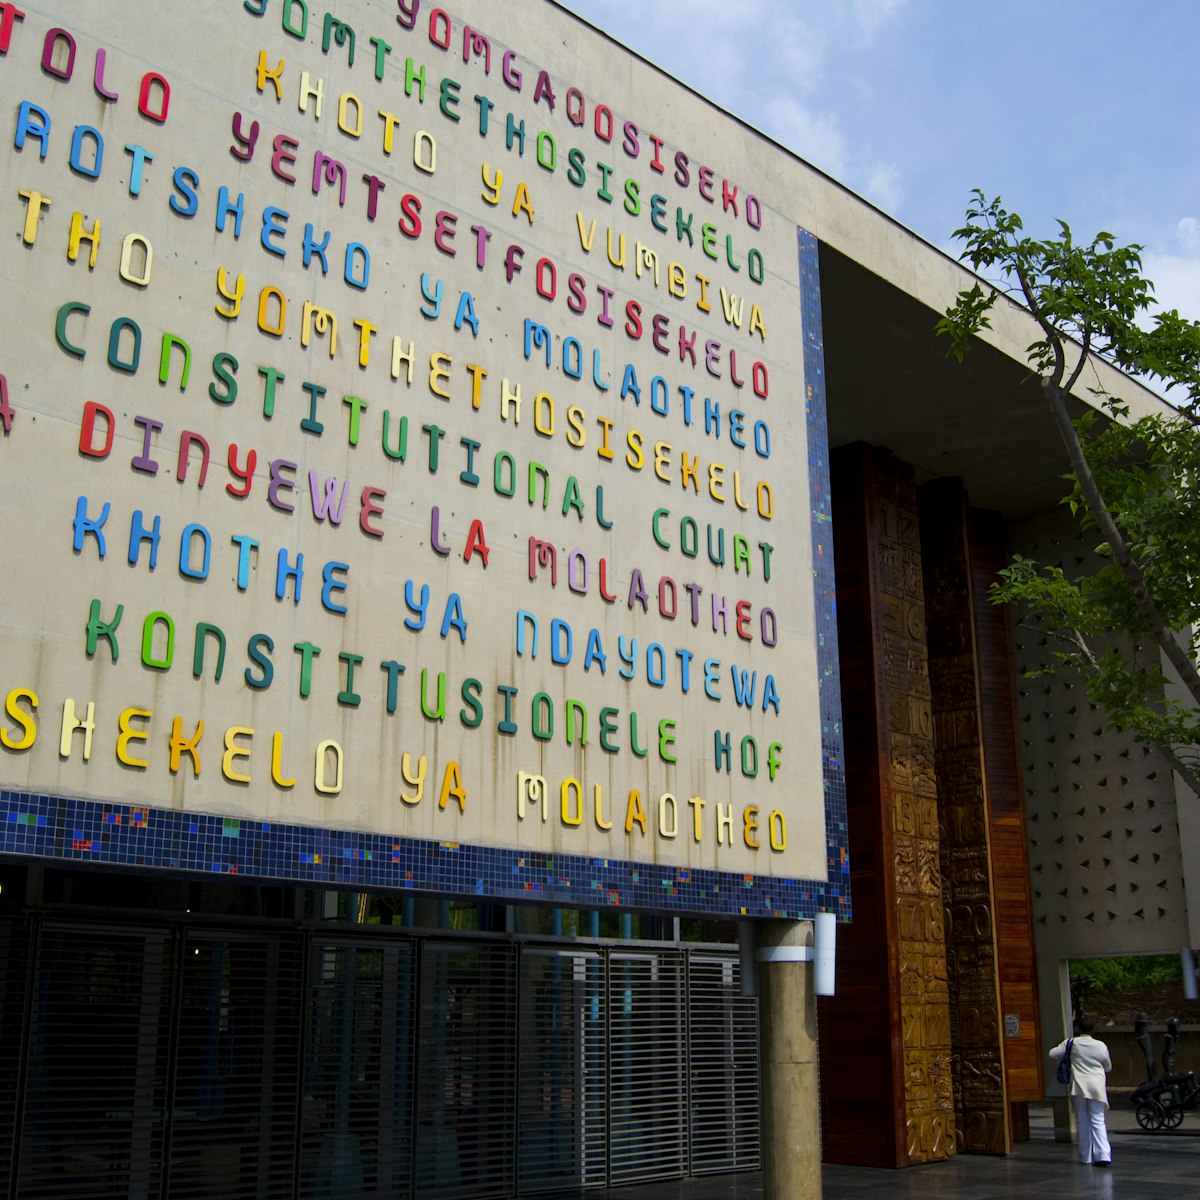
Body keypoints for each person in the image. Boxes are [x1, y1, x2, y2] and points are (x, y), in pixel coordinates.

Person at [1050, 1018, 1113, 1166]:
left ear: (1078, 1028)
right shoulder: (1100, 1045)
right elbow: (1108, 1066)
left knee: (1082, 1120)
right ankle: (1103, 1154)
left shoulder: (1071, 1043)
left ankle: (1086, 1156)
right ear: (1092, 1030)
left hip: (1078, 1085)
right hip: (1096, 1085)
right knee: (1098, 1119)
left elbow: (1052, 1054)